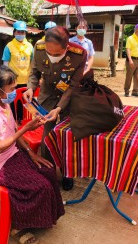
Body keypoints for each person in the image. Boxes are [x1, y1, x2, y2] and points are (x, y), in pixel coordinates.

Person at [0, 63, 65, 242]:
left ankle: (44, 215)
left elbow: (12, 129)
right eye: (12, 89)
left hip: (10, 155)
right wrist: (26, 129)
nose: (15, 92)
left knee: (47, 169)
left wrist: (30, 152)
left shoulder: (3, 104)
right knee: (40, 186)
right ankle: (17, 227)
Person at [23, 26, 87, 191]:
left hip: (69, 98)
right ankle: (49, 171)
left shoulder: (79, 54)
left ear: (67, 47)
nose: (52, 57)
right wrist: (30, 87)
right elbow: (34, 72)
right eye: (49, 53)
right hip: (48, 95)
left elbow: (72, 86)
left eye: (57, 54)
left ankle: (67, 172)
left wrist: (59, 108)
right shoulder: (39, 47)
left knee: (68, 135)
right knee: (48, 135)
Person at [2, 20, 34, 87]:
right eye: (18, 32)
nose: (20, 34)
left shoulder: (30, 46)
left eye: (22, 32)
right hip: (13, 82)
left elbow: (33, 63)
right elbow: (5, 64)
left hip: (28, 81)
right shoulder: (9, 46)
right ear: (14, 33)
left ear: (25, 33)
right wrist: (7, 79)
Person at [124, 23, 138, 97]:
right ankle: (126, 91)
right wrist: (130, 60)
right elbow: (128, 49)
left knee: (137, 76)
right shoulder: (130, 38)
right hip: (132, 59)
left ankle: (135, 91)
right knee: (129, 76)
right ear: (137, 30)